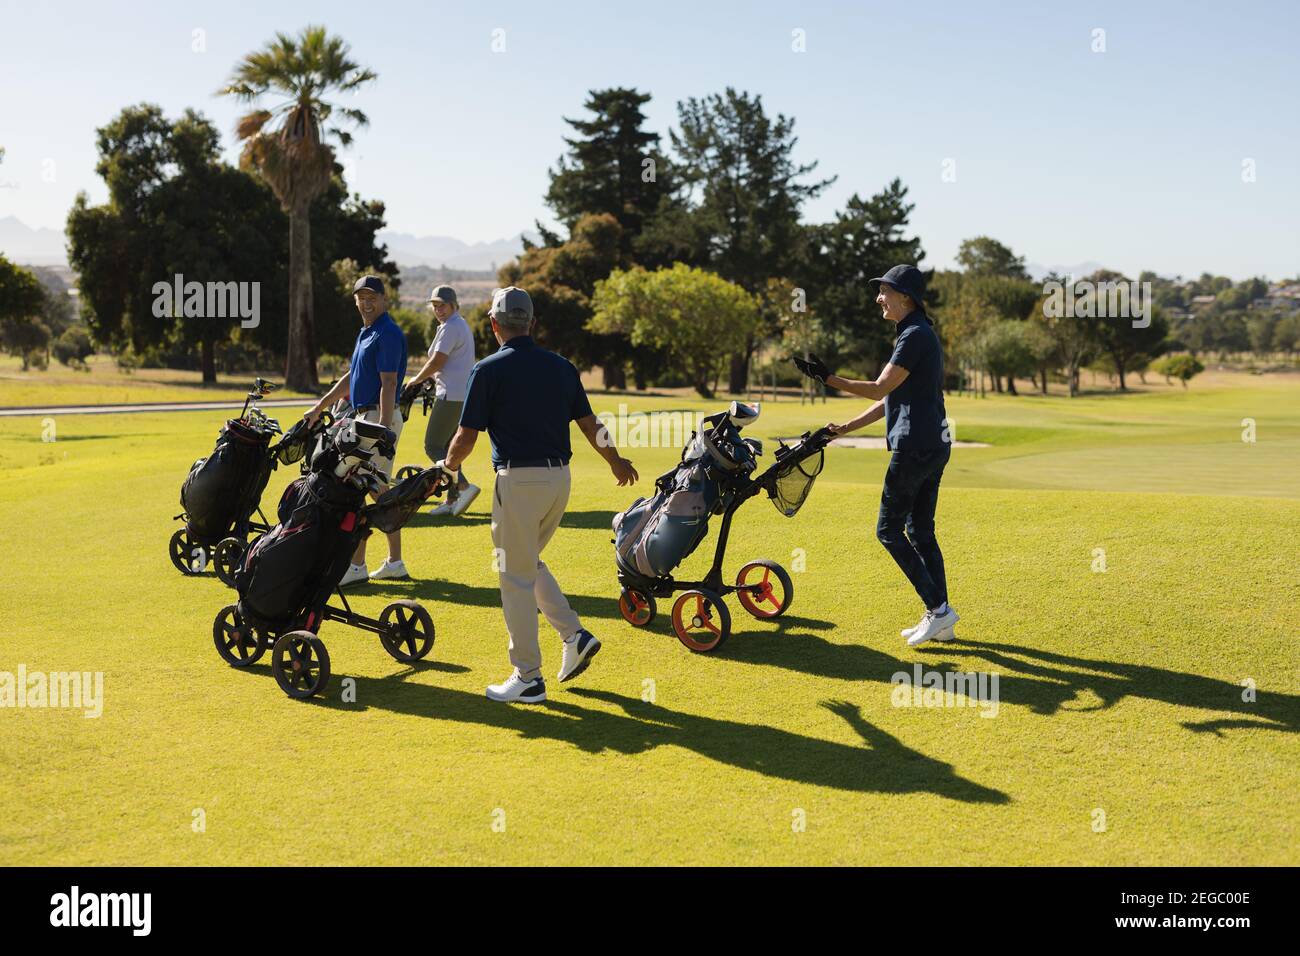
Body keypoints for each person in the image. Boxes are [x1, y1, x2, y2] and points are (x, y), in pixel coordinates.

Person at [436, 287, 639, 703]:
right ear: (532, 322)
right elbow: (589, 424)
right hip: (559, 482)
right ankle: (574, 635)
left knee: (513, 574)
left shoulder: (487, 370)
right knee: (527, 562)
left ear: (494, 325)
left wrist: (447, 469)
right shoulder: (562, 367)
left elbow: (465, 435)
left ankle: (528, 675)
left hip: (518, 481)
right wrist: (616, 461)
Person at [794, 264, 958, 647]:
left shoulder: (914, 335)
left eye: (884, 291)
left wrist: (828, 379)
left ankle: (938, 610)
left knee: (889, 530)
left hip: (915, 447)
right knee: (920, 530)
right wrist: (845, 428)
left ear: (905, 297)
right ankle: (943, 620)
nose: (878, 298)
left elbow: (878, 388)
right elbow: (890, 399)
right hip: (933, 445)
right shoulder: (917, 334)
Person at [303, 275, 411, 583]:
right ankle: (389, 562)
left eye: (372, 296)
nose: (366, 301)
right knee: (371, 487)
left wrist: (383, 427)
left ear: (384, 299)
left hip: (378, 417)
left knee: (364, 486)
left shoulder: (387, 332)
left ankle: (362, 565)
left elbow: (388, 383)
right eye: (360, 296)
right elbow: (352, 378)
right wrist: (320, 406)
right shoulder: (366, 332)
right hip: (365, 416)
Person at [401, 284, 480, 517]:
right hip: (459, 394)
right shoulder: (457, 325)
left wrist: (415, 380)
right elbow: (444, 365)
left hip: (451, 395)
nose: (438, 309)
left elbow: (437, 361)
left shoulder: (451, 327)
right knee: (448, 448)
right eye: (435, 305)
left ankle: (464, 487)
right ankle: (451, 499)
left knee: (432, 445)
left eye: (442, 305)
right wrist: (432, 377)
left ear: (453, 305)